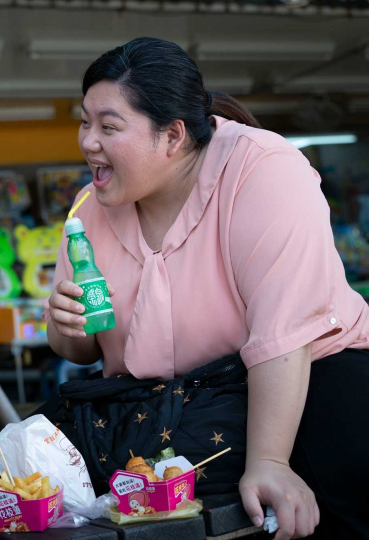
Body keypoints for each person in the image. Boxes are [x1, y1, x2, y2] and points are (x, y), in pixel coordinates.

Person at [45, 37, 369, 540]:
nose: (88, 141)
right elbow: (83, 351)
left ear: (172, 135)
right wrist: (65, 326)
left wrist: (268, 460)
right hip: (164, 409)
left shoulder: (263, 170)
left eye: (109, 126)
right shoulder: (89, 208)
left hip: (298, 382)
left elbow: (283, 333)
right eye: (85, 121)